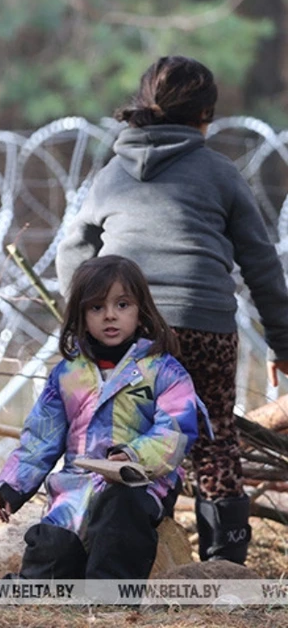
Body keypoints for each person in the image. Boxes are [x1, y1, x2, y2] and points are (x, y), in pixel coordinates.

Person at [56, 55, 288, 565]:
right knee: (212, 442)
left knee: (127, 437)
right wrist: (283, 343)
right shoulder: (220, 174)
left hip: (131, 332)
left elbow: (72, 251)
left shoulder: (112, 175)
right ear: (205, 115)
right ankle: (223, 566)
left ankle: (119, 555)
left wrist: (86, 318)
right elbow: (262, 268)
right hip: (204, 327)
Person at [0, 255, 201, 579]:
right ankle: (29, 596)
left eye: (122, 304)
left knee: (120, 520)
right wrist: (13, 484)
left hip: (140, 483)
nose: (110, 316)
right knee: (53, 543)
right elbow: (41, 435)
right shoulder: (68, 374)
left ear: (140, 309)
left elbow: (177, 429)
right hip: (78, 482)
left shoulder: (163, 370)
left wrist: (133, 456)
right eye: (97, 308)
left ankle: (108, 607)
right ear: (80, 314)